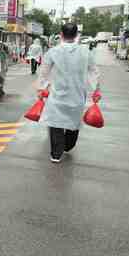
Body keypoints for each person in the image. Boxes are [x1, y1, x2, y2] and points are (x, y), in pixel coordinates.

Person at [38, 23, 101, 163]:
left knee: (55, 123)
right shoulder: (85, 52)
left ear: (61, 35)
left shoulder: (53, 52)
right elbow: (93, 71)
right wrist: (96, 89)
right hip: (77, 95)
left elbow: (44, 72)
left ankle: (56, 154)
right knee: (73, 123)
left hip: (58, 95)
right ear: (77, 35)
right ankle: (67, 146)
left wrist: (42, 87)